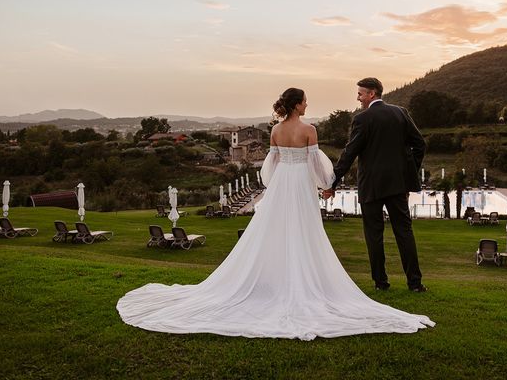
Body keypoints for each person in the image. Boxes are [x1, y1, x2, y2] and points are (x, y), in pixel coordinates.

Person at [117, 87, 434, 340]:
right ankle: (412, 281)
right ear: (297, 105)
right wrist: (328, 183)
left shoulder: (275, 132)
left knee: (279, 228)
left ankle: (376, 281)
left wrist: (310, 181)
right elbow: (316, 162)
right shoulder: (312, 129)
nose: (308, 105)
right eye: (306, 101)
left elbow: (271, 165)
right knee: (315, 230)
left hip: (283, 184)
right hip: (312, 185)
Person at [323, 78, 427, 293]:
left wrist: (332, 181)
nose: (358, 98)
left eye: (360, 94)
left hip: (371, 185)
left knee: (374, 234)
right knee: (404, 232)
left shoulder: (362, 119)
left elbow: (350, 153)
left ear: (371, 94)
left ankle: (381, 283)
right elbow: (420, 144)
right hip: (398, 185)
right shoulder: (401, 113)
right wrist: (408, 175)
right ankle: (415, 283)